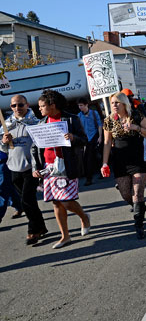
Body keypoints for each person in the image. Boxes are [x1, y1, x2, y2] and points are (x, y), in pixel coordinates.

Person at [31, 90, 91, 249]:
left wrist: (73, 138)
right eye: (39, 106)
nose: (40, 109)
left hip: (67, 165)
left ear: (53, 105)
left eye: (43, 106)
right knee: (56, 202)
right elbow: (34, 148)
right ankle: (65, 236)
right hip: (49, 168)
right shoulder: (41, 123)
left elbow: (84, 140)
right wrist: (36, 167)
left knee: (66, 201)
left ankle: (84, 217)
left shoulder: (71, 119)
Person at [101, 91, 146, 239]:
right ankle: (139, 207)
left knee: (137, 193)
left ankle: (139, 224)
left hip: (138, 159)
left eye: (117, 102)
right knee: (125, 194)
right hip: (120, 161)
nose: (114, 105)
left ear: (124, 103)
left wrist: (135, 128)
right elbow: (106, 143)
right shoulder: (109, 120)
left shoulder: (136, 115)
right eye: (112, 103)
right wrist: (104, 163)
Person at [1, 95, 47, 244]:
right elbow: (3, 148)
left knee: (27, 200)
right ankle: (41, 226)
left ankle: (33, 231)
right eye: (14, 106)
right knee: (28, 201)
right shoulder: (6, 124)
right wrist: (4, 142)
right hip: (14, 166)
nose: (17, 109)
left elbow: (42, 145)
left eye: (20, 105)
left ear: (27, 105)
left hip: (30, 168)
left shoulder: (35, 123)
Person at [77, 97, 103, 186]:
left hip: (94, 136)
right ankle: (89, 178)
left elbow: (99, 125)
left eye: (81, 105)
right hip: (86, 139)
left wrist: (100, 136)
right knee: (88, 159)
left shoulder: (94, 113)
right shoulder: (79, 116)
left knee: (96, 156)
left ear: (86, 105)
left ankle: (99, 173)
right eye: (79, 106)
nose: (80, 107)